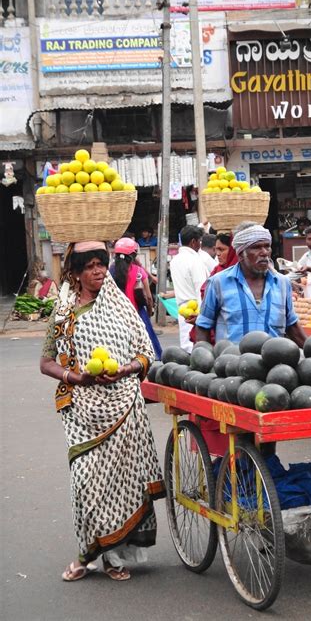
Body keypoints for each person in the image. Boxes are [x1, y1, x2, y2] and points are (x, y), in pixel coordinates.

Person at [39, 241, 165, 581]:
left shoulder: (120, 306)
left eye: (101, 264)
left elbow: (144, 353)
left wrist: (124, 370)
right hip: (83, 412)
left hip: (124, 408)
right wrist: (76, 377)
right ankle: (87, 551)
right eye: (90, 266)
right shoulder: (63, 313)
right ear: (76, 272)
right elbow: (46, 362)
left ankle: (110, 558)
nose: (98, 271)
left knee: (121, 485)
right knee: (86, 482)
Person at [195, 223, 307, 347]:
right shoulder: (218, 283)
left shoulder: (282, 283)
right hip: (232, 363)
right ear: (240, 254)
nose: (264, 252)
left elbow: (292, 325)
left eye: (267, 246)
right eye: (256, 247)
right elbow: (203, 326)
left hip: (273, 364)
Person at [111, 237, 162, 359]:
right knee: (148, 345)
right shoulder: (139, 271)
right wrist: (149, 311)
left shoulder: (110, 271)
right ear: (133, 256)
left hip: (116, 316)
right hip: (138, 315)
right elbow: (149, 297)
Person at [170, 225, 208, 353]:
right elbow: (201, 288)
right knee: (198, 349)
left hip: (182, 308)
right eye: (199, 241)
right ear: (193, 242)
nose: (200, 245)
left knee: (186, 347)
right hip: (195, 308)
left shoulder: (175, 260)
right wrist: (203, 315)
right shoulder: (195, 260)